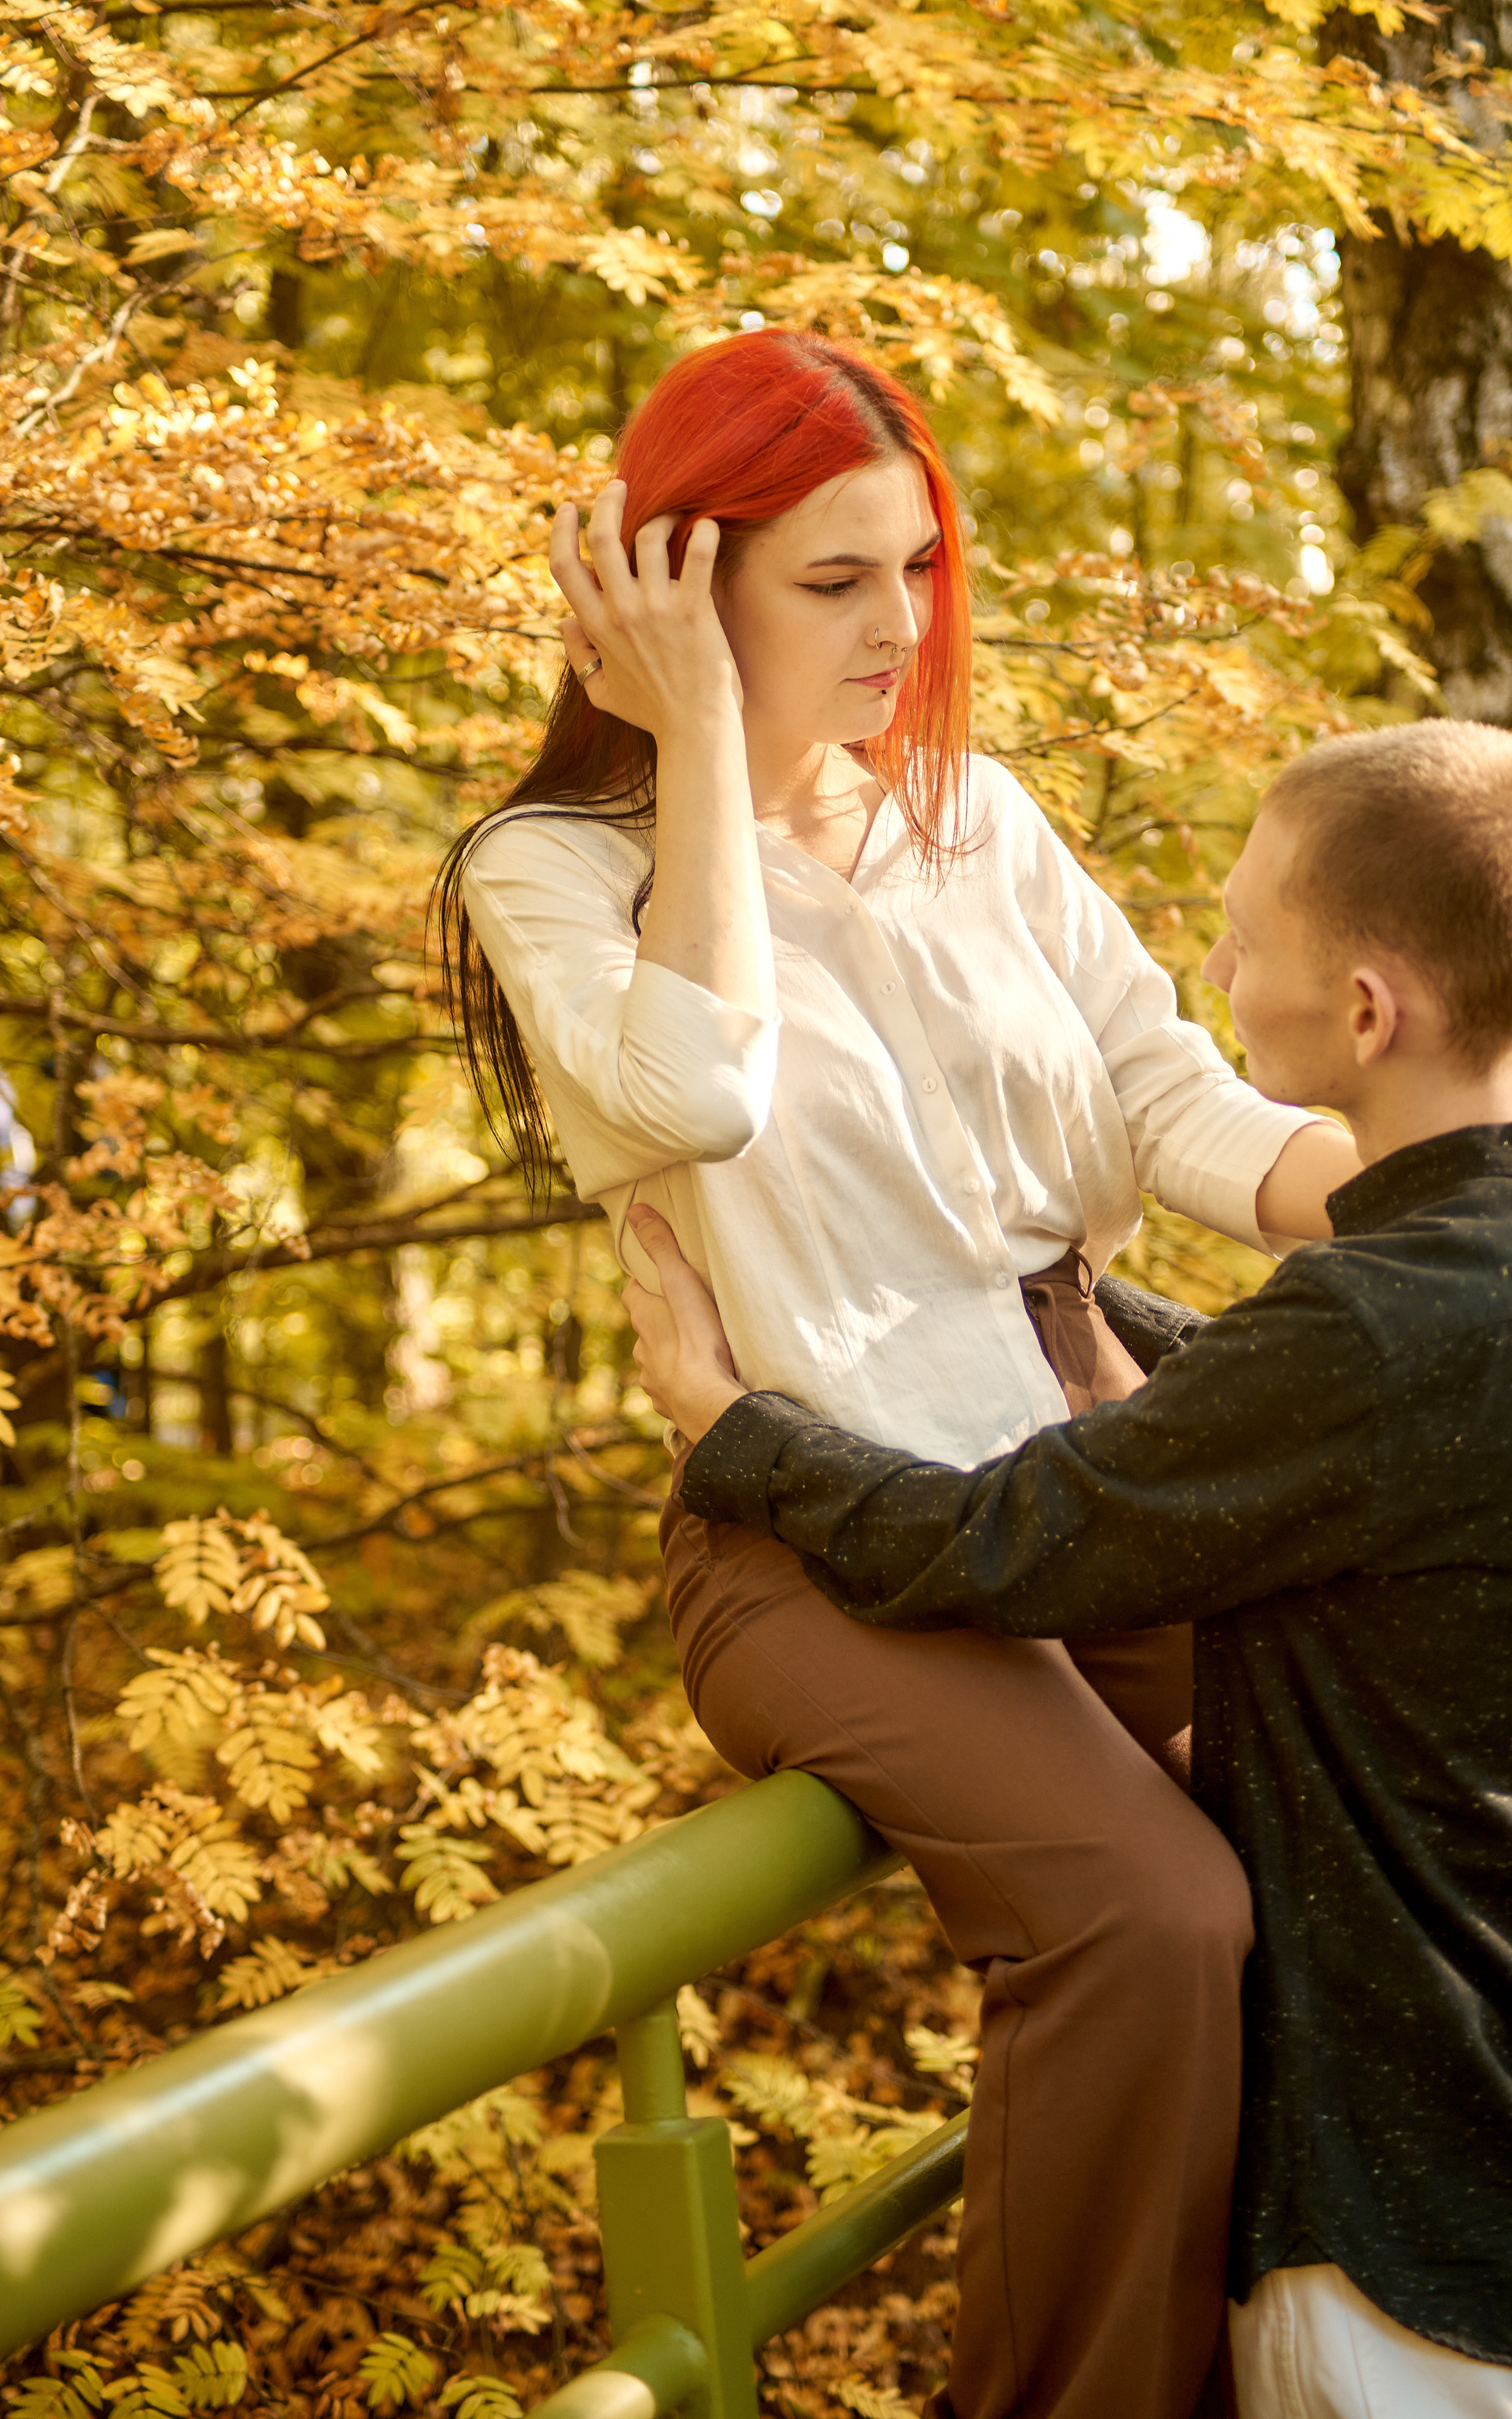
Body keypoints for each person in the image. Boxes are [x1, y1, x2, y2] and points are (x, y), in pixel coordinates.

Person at [435, 324, 1371, 2419]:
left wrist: (1465, 1188)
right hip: (808, 1528)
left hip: (1080, 1468)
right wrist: (695, 743)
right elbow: (701, 1080)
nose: (901, 626)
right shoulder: (557, 871)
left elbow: (1169, 1107)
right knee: (1146, 1920)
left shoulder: (974, 823)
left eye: (919, 567)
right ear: (680, 591)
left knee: (1362, 1801)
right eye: (833, 581)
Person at [622, 719, 1512, 2419]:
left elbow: (1004, 1536)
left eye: (1243, 934)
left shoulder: (1368, 1334)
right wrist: (1076, 1306)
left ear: (1366, 1012)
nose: (1214, 963)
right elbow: (1299, 1394)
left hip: (1397, 2234)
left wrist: (735, 1427)